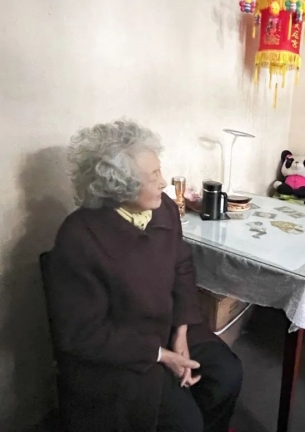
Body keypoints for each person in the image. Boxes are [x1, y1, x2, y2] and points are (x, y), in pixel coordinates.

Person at [46, 120, 243, 432]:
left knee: (227, 375)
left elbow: (182, 266)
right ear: (119, 186)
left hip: (169, 325)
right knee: (184, 424)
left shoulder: (164, 209)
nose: (163, 182)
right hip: (122, 350)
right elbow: (81, 333)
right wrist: (161, 354)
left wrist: (181, 331)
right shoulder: (79, 237)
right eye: (153, 177)